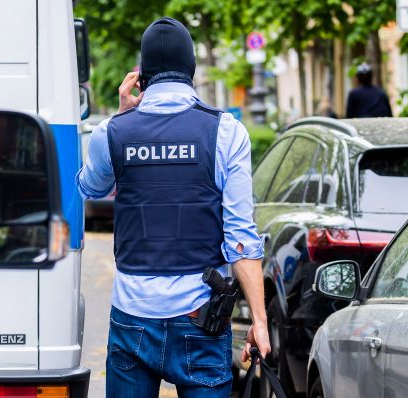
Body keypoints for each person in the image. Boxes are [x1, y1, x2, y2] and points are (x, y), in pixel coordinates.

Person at [76, 17, 270, 398]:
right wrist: (259, 322)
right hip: (200, 321)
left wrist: (122, 118)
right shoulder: (226, 132)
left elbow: (88, 186)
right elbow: (241, 240)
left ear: (142, 76)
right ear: (192, 69)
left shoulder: (111, 133)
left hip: (132, 321)